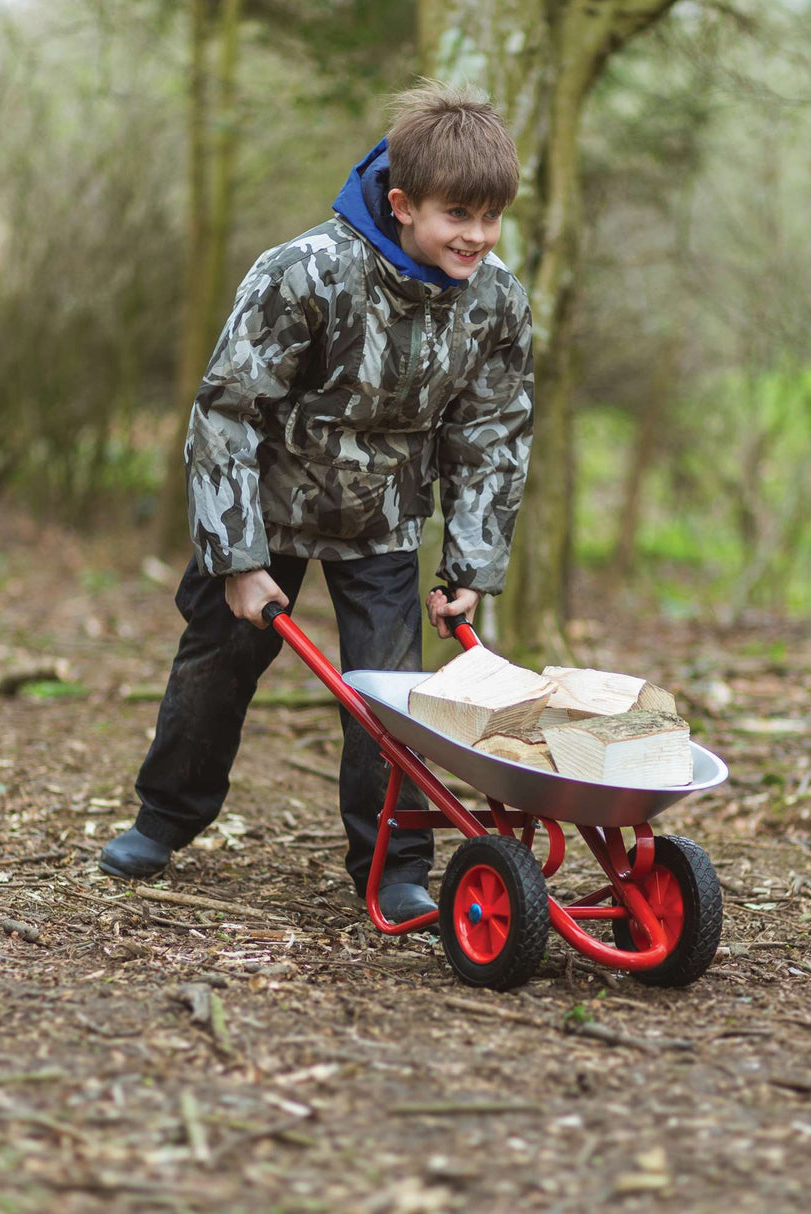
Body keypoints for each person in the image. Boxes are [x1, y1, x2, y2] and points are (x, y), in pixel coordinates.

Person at [99, 81, 534, 924]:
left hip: (384, 519)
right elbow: (227, 412)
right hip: (264, 511)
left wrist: (471, 566)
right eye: (457, 215)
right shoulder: (303, 273)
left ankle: (394, 865)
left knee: (390, 697)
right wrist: (238, 560)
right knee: (217, 664)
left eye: (491, 218)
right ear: (403, 204)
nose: (477, 236)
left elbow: (492, 433)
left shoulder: (495, 300)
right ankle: (164, 821)